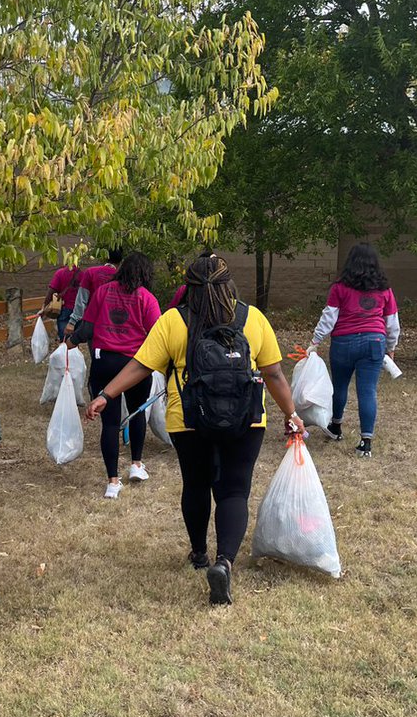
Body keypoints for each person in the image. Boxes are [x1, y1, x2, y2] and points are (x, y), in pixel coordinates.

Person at [85, 255, 304, 606]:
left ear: (188, 286)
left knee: (197, 484)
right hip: (246, 418)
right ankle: (225, 562)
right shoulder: (253, 318)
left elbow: (141, 364)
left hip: (188, 417)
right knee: (234, 490)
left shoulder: (174, 320)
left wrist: (106, 395)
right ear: (229, 284)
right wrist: (291, 413)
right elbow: (275, 374)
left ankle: (200, 553)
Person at [70, 251, 161, 497]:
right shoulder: (147, 298)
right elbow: (157, 336)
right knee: (136, 413)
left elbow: (87, 326)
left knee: (109, 423)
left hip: (104, 362)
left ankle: (112, 481)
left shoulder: (103, 292)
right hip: (135, 365)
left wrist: (72, 340)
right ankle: (136, 465)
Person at [308, 243, 400, 458]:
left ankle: (336, 426)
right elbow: (392, 322)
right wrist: (391, 347)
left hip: (343, 342)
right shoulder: (385, 290)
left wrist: (315, 341)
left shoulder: (340, 288)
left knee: (339, 386)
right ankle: (365, 441)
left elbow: (329, 317)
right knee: (367, 391)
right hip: (374, 341)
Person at [64, 246, 124, 339]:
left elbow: (81, 300)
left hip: (92, 322)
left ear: (105, 257)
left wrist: (72, 322)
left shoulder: (91, 272)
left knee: (94, 351)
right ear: (121, 261)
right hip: (114, 324)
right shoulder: (122, 277)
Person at [41, 262, 82, 342]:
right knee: (74, 341)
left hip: (65, 309)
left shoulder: (61, 272)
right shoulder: (83, 274)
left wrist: (44, 307)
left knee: (64, 339)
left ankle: (65, 353)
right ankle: (74, 352)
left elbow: (51, 291)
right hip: (79, 311)